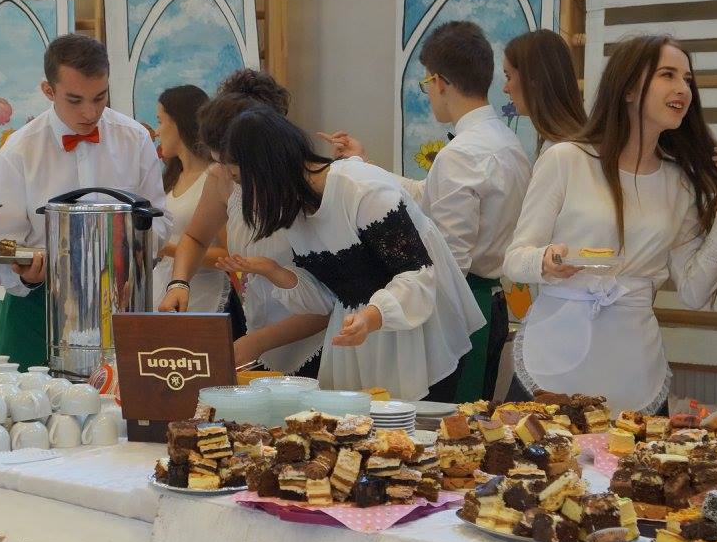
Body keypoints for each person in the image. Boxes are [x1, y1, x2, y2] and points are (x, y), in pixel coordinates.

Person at [0, 33, 169, 542]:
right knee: (48, 452)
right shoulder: (19, 150)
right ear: (47, 90)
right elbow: (1, 245)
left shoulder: (134, 138)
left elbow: (161, 219)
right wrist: (27, 265)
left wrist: (139, 253)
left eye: (100, 98)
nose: (91, 113)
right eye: (75, 100)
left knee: (114, 447)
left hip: (120, 310)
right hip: (41, 314)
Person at [502, 34, 717, 415]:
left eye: (687, 79)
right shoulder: (566, 159)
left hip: (634, 362)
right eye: (668, 75)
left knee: (630, 455)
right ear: (629, 89)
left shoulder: (678, 183)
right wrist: (545, 261)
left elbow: (695, 292)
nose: (683, 89)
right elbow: (515, 259)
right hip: (556, 351)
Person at [315, 22, 532, 401]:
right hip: (491, 300)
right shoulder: (506, 140)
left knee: (449, 424)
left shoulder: (461, 155)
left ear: (440, 82)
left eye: (426, 83)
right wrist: (365, 166)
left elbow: (448, 260)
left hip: (464, 307)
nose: (429, 93)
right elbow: (428, 195)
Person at [213, 107, 485, 401]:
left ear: (265, 168)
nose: (243, 195)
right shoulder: (294, 210)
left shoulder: (361, 189)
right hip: (362, 336)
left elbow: (417, 275)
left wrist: (371, 316)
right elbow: (326, 296)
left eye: (240, 180)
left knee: (408, 426)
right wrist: (272, 270)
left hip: (415, 333)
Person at [157, 70, 328, 376]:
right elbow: (195, 238)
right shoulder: (222, 176)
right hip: (259, 336)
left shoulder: (310, 186)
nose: (228, 169)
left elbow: (328, 300)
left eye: (235, 160)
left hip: (317, 345)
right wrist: (179, 282)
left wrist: (257, 342)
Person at [151, 84, 230, 312]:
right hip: (163, 291)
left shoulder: (214, 177)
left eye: (160, 121)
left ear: (178, 122)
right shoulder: (170, 179)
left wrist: (166, 249)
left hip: (203, 298)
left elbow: (228, 255)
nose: (157, 131)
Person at [501, 28, 587, 151]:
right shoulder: (573, 142)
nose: (505, 89)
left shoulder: (559, 151)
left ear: (533, 79)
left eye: (508, 77)